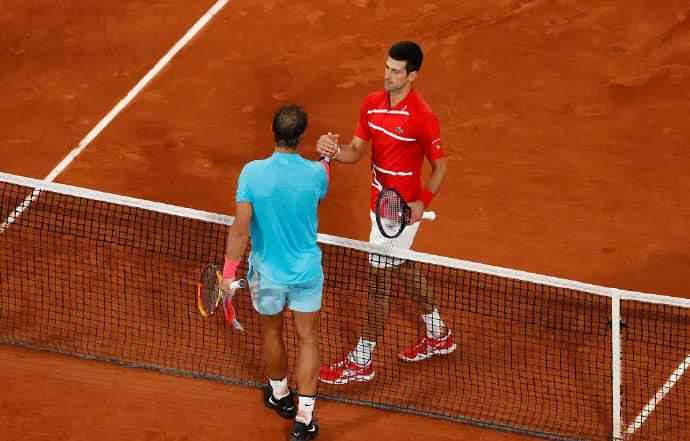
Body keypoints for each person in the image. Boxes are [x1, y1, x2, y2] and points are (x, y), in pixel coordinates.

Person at [316, 41, 454, 385]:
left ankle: (362, 360)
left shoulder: (422, 116)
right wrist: (334, 151)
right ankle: (439, 333)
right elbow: (356, 151)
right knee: (402, 266)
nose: (387, 75)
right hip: (378, 204)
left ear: (412, 76)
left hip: (400, 213)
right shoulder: (371, 104)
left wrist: (422, 202)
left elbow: (440, 167)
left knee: (378, 284)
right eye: (386, 67)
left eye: (396, 71)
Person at [220, 105, 329, 440]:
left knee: (271, 332)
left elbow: (240, 230)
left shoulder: (251, 173)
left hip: (268, 275)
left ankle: (280, 395)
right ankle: (304, 418)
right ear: (301, 136)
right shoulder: (316, 174)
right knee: (307, 338)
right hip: (306, 272)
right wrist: (327, 156)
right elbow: (323, 177)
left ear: (274, 132)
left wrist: (228, 274)